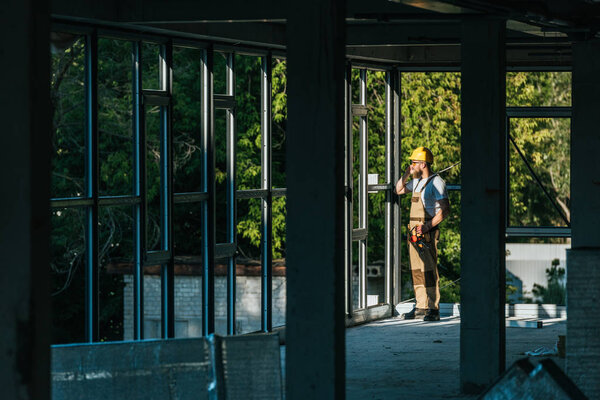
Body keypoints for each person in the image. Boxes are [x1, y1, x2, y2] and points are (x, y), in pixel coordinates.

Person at [395, 146, 451, 321]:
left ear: (424, 164)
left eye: (414, 163)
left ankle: (433, 309)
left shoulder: (436, 183)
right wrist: (406, 173)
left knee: (429, 269)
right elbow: (398, 189)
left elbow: (445, 209)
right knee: (417, 270)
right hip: (414, 232)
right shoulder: (416, 182)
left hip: (427, 231)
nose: (411, 166)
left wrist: (427, 227)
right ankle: (421, 306)